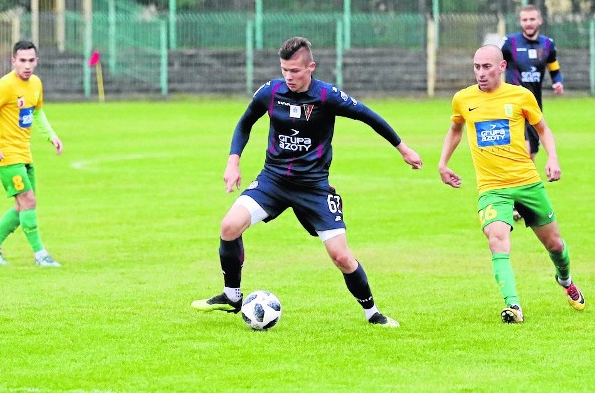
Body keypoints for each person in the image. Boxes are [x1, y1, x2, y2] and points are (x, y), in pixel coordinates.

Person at [192, 36, 423, 327]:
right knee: (229, 227)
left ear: (311, 67)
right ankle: (232, 295)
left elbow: (367, 115)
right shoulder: (270, 92)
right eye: (285, 70)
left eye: (295, 71)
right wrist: (233, 161)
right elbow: (245, 122)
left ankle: (372, 313)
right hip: (272, 181)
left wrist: (402, 148)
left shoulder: (326, 96)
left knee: (341, 256)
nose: (289, 76)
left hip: (313, 188)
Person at [438, 44, 585, 324]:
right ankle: (513, 306)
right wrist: (443, 163)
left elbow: (543, 129)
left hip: (527, 183)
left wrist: (552, 158)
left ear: (502, 67)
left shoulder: (520, 96)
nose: (481, 73)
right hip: (492, 188)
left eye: (487, 67)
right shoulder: (463, 99)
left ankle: (565, 279)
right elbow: (455, 129)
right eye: (476, 67)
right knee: (497, 241)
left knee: (554, 244)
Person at [0, 40, 63, 267]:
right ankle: (40, 254)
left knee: (22, 206)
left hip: (25, 154)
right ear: (13, 61)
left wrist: (51, 135)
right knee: (29, 200)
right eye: (22, 60)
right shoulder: (3, 86)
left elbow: (37, 112)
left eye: (31, 60)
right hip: (6, 156)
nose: (27, 65)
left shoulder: (35, 84)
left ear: (37, 61)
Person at [501, 5, 564, 163]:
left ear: (540, 21)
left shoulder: (547, 44)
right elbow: (495, 63)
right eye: (525, 20)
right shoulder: (510, 43)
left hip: (534, 105)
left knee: (531, 156)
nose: (528, 23)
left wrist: (558, 82)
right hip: (513, 104)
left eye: (532, 19)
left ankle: (524, 185)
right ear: (520, 22)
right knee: (523, 150)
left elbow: (553, 66)